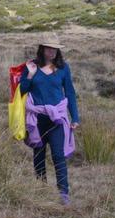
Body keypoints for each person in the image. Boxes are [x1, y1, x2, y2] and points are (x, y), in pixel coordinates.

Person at [19, 35, 80, 206]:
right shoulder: (31, 66)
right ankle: (41, 189)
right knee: (38, 155)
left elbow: (70, 93)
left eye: (54, 48)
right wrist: (30, 75)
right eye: (48, 48)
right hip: (36, 119)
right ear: (42, 49)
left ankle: (63, 193)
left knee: (58, 155)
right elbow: (22, 90)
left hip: (57, 119)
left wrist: (74, 117)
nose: (52, 51)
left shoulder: (63, 68)